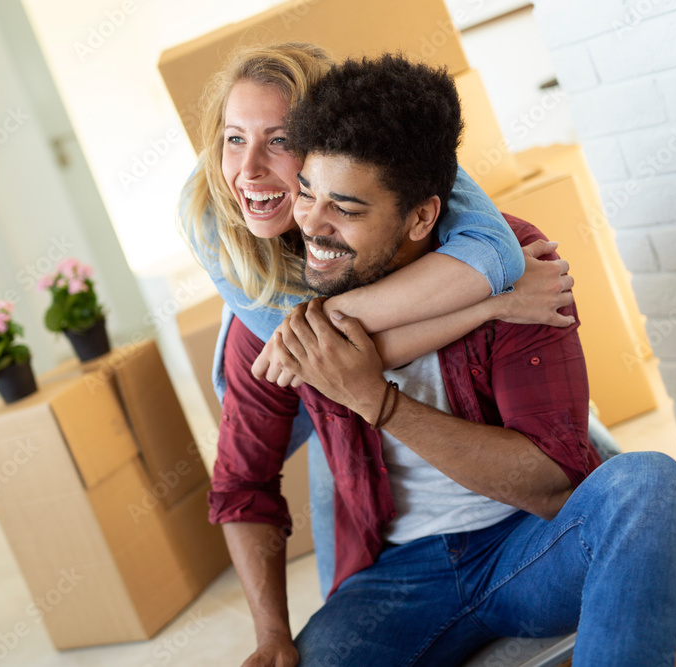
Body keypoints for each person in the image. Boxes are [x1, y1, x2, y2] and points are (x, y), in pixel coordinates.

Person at [209, 52, 676, 666]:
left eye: (347, 210)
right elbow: (243, 484)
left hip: (529, 544)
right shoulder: (273, 308)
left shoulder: (517, 265)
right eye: (307, 192)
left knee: (645, 483)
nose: (312, 226)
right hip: (398, 578)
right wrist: (272, 635)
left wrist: (379, 402)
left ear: (421, 216)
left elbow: (550, 488)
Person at [179, 42, 585, 597]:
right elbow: (331, 366)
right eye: (233, 138)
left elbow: (496, 257)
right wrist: (493, 303)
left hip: (500, 497)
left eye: (279, 141)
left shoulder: (420, 182)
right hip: (292, 372)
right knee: (336, 472)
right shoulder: (211, 220)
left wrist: (330, 331)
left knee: (583, 467)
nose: (248, 168)